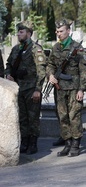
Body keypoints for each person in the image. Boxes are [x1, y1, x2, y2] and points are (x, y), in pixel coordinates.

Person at [47, 19, 86, 157]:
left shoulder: (77, 48)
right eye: (57, 31)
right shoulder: (55, 48)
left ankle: (76, 144)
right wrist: (50, 75)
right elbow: (50, 64)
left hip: (74, 88)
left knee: (74, 116)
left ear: (68, 31)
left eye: (61, 31)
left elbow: (83, 70)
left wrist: (81, 89)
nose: (59, 34)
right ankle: (67, 143)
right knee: (63, 116)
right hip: (59, 88)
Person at [5, 21, 46, 154]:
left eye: (21, 32)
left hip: (31, 88)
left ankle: (33, 143)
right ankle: (25, 141)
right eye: (18, 32)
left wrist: (38, 90)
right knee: (22, 117)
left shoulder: (36, 49)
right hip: (18, 88)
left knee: (33, 117)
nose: (18, 34)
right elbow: (9, 64)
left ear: (28, 33)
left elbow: (41, 71)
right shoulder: (16, 49)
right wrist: (8, 75)